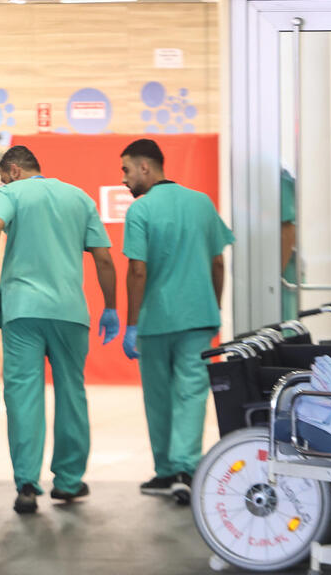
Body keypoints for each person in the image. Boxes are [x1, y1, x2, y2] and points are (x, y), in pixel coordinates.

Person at [0, 146, 119, 514]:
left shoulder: (11, 193)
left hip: (23, 311)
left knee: (24, 396)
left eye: (2, 176)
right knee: (72, 393)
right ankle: (69, 482)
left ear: (11, 171)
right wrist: (112, 306)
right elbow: (103, 256)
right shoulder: (79, 197)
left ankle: (26, 483)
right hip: (70, 312)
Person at [118, 138, 234, 505]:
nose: (123, 178)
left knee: (159, 397)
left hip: (155, 321)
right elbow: (218, 262)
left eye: (126, 169)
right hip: (198, 319)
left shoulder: (140, 210)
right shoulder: (201, 203)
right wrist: (213, 308)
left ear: (145, 168)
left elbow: (138, 269)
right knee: (192, 393)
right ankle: (187, 469)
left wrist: (131, 323)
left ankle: (167, 471)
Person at [280, 168, 298, 321]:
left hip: (281, 278)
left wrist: (275, 275)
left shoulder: (279, 178)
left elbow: (288, 229)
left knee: (284, 331)